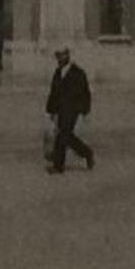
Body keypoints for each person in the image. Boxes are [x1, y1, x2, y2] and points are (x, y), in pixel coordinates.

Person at [44, 46, 95, 174]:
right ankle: (87, 153)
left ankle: (58, 165)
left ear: (67, 55)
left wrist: (84, 110)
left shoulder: (78, 73)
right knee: (67, 136)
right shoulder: (58, 72)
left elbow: (85, 93)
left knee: (63, 134)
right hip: (61, 109)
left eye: (61, 55)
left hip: (73, 109)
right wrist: (50, 110)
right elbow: (53, 93)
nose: (59, 59)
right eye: (57, 56)